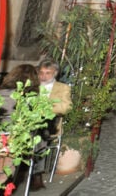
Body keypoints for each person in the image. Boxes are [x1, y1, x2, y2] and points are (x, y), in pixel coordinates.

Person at [35, 59, 72, 190]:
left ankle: (36, 174)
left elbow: (66, 107)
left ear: (55, 73)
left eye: (48, 73)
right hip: (31, 121)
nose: (43, 76)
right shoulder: (33, 86)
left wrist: (46, 109)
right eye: (41, 72)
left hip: (50, 123)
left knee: (38, 136)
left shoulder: (63, 88)